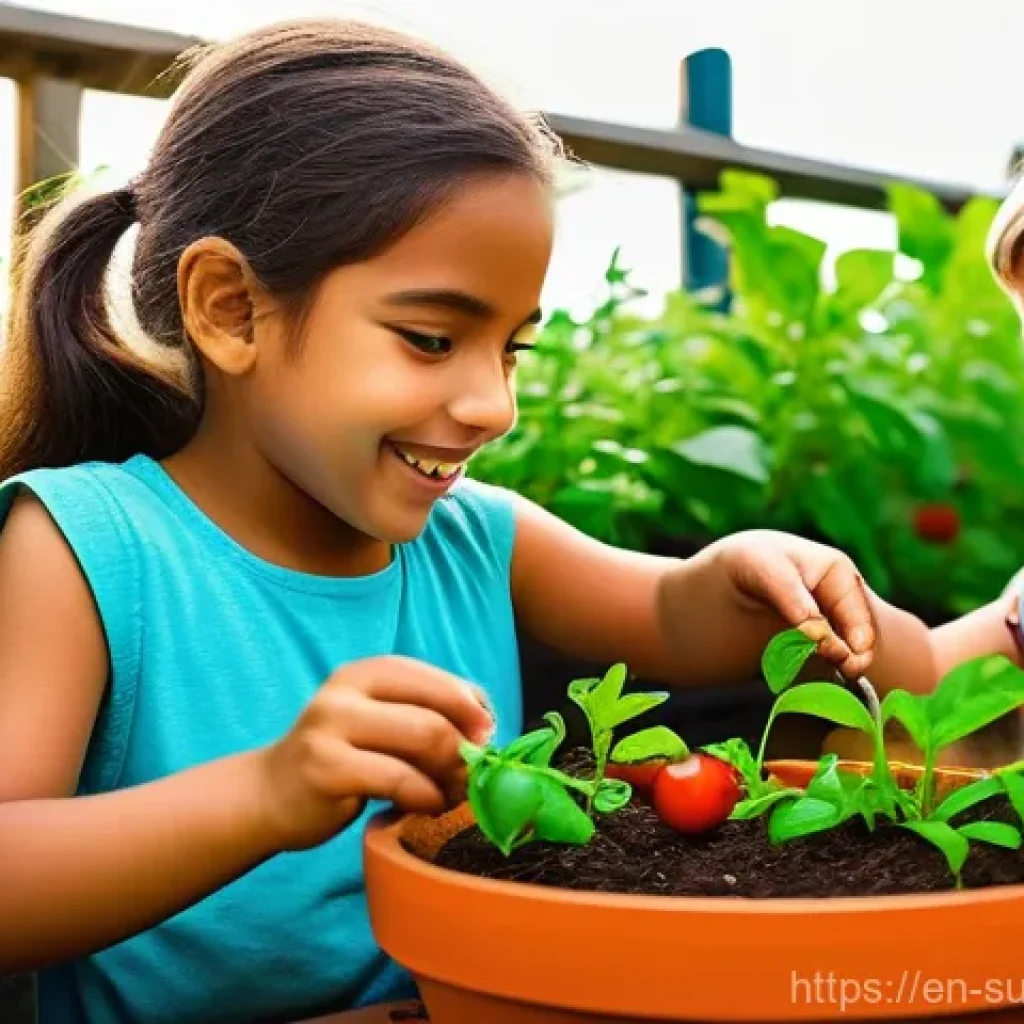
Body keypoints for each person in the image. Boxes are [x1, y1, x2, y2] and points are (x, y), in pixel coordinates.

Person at [0, 17, 931, 1024]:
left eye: (512, 349)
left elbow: (674, 615)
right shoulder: (88, 545)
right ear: (230, 309)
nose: (494, 403)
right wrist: (266, 793)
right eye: (432, 338)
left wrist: (747, 570)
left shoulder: (477, 536)